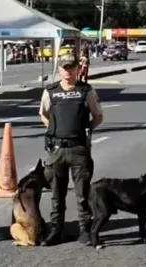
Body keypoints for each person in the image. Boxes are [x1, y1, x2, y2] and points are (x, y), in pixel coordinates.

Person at [39, 53, 104, 245]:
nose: (68, 71)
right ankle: (56, 229)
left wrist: (85, 132)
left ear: (77, 69)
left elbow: (98, 116)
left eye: (71, 67)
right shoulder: (50, 91)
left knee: (82, 193)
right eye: (64, 67)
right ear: (59, 70)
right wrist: (53, 130)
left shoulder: (86, 90)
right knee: (56, 195)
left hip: (78, 150)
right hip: (57, 150)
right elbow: (42, 113)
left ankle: (85, 229)